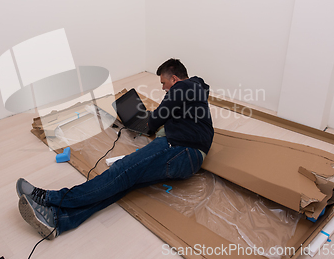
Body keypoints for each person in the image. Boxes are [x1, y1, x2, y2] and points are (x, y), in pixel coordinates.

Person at [16, 58, 214, 239]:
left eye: (163, 83)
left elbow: (155, 120)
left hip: (180, 150)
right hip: (188, 158)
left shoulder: (182, 87)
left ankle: (50, 198)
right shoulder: (195, 91)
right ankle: (57, 221)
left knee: (121, 170)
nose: (163, 88)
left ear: (175, 78)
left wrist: (148, 121)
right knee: (125, 183)